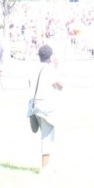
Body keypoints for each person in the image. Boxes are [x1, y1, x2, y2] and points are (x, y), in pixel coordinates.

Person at [29, 44, 63, 173]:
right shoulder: (50, 69)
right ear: (50, 57)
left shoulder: (33, 68)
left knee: (45, 135)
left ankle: (49, 166)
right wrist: (56, 68)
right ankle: (45, 168)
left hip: (34, 105)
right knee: (47, 136)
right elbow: (60, 85)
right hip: (45, 106)